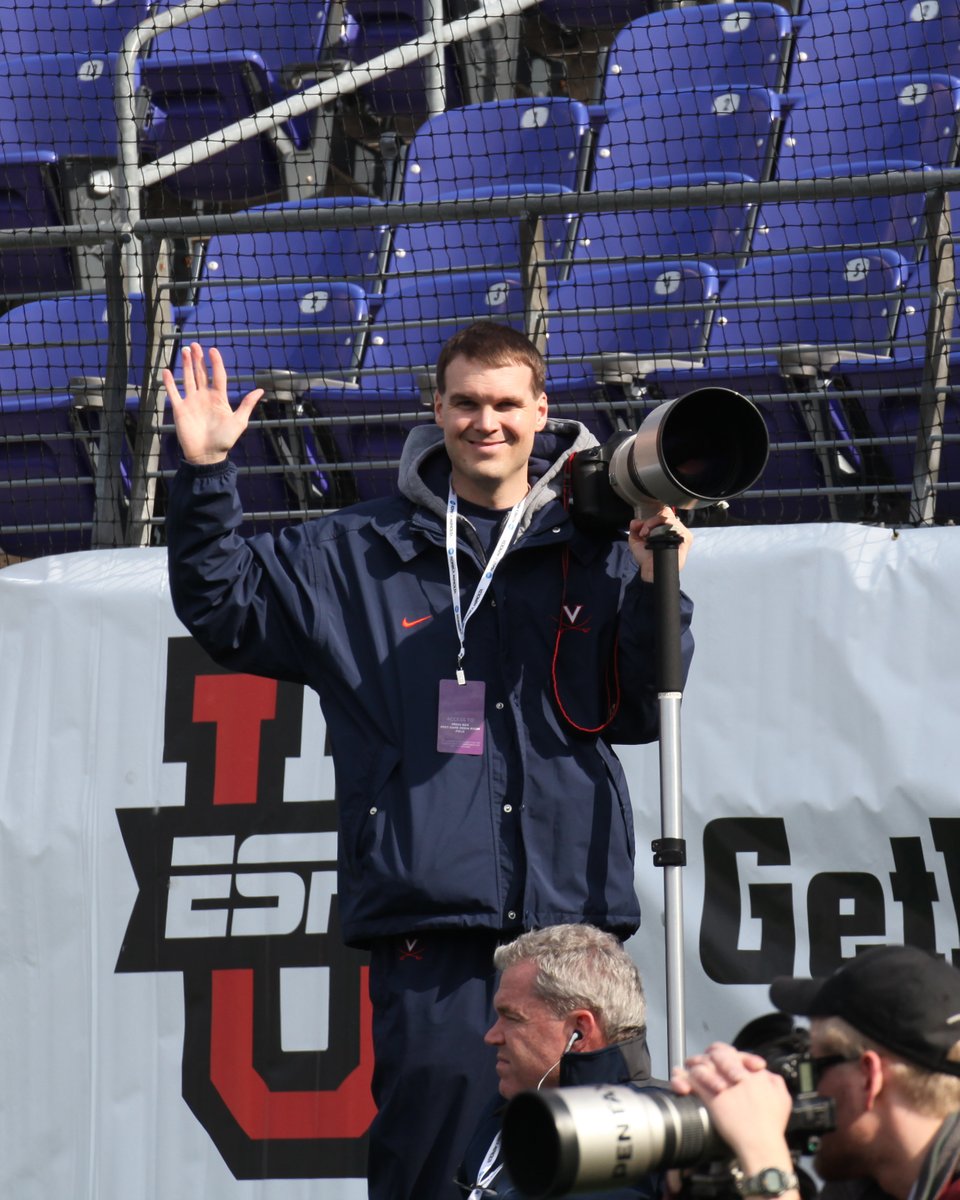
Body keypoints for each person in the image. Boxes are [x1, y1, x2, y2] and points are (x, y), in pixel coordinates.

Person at [162, 321, 695, 1200]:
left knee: (610, 1168)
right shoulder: (352, 554)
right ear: (435, 410)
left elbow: (640, 709)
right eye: (467, 403)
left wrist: (651, 584)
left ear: (542, 412)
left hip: (577, 930)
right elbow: (223, 606)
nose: (487, 422)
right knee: (434, 1170)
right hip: (436, 935)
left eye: (506, 404)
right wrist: (209, 474)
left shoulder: (599, 546)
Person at [672, 945, 960, 1200]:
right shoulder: (871, 1187)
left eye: (811, 1066)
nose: (799, 1090)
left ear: (869, 1078)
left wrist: (763, 1158)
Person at [457, 923, 664, 1200]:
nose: (491, 1036)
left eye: (513, 1018)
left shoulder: (655, 1132)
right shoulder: (507, 1110)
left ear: (580, 1031)